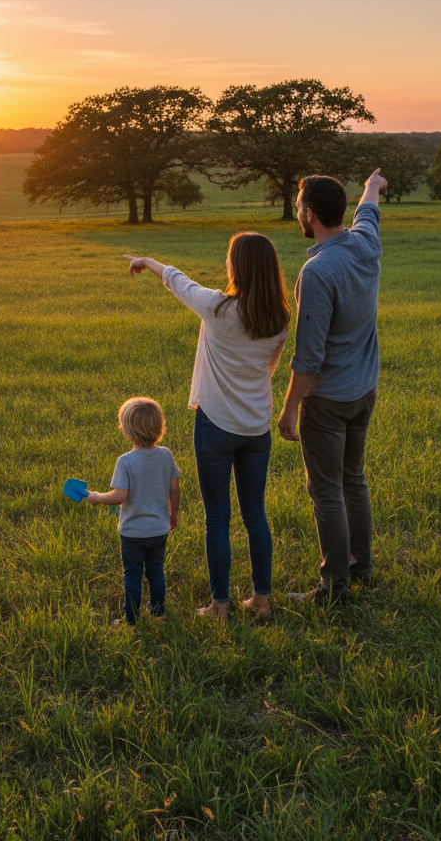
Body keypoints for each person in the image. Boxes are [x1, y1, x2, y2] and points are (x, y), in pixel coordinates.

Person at [124, 232, 290, 622]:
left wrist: (147, 261)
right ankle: (261, 600)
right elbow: (269, 369)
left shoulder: (218, 308)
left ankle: (219, 604)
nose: (226, 264)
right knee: (255, 513)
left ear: (239, 267)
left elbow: (179, 281)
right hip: (256, 428)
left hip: (215, 425)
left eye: (230, 259)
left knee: (217, 515)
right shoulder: (280, 319)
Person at [278, 168, 387, 603]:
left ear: (308, 214)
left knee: (326, 490)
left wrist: (288, 409)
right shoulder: (366, 244)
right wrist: (372, 186)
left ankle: (334, 586)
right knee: (353, 480)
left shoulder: (318, 271)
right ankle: (361, 569)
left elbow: (308, 357)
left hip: (327, 401)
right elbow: (370, 213)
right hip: (364, 390)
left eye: (300, 207)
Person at [86, 397, 181, 626]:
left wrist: (96, 497)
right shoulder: (166, 455)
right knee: (156, 571)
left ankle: (131, 620)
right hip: (159, 529)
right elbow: (174, 488)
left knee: (133, 575)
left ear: (127, 432)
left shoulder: (126, 461)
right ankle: (158, 613)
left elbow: (119, 496)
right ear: (160, 427)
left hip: (132, 532)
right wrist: (173, 513)